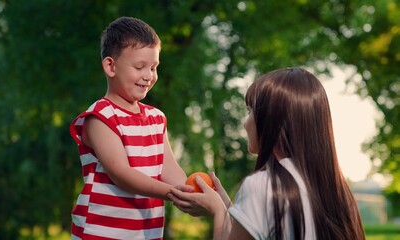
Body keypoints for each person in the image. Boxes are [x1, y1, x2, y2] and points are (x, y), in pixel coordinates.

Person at [168, 67, 365, 240]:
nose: (245, 124)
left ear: (272, 121)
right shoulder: (339, 193)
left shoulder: (262, 186)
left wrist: (218, 211)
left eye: (250, 111)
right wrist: (229, 208)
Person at [69, 16, 187, 240]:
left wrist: (190, 191)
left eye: (153, 67)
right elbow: (121, 174)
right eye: (140, 66)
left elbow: (170, 171)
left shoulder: (156, 118)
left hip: (146, 232)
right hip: (101, 231)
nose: (148, 76)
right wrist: (173, 194)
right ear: (110, 66)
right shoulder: (101, 116)